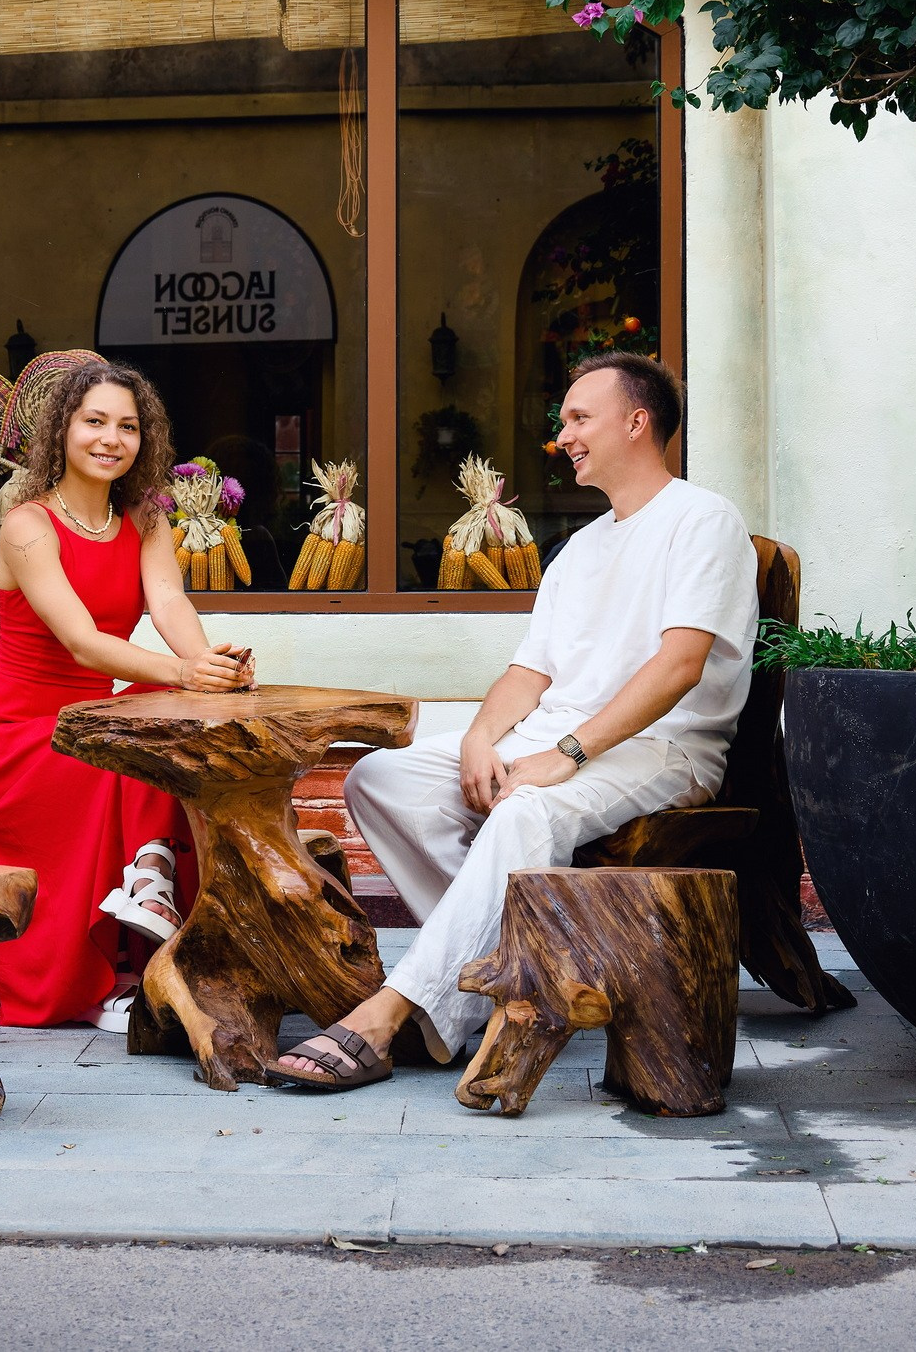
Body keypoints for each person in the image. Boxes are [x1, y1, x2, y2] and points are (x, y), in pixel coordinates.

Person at [267, 353, 758, 1090]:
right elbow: (529, 672)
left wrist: (567, 750)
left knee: (526, 808)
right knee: (379, 778)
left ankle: (393, 1011)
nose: (562, 435)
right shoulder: (583, 547)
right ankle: (513, 967)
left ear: (637, 421)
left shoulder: (703, 519)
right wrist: (477, 736)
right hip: (557, 738)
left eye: (578, 418)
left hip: (664, 746)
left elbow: (680, 665)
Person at [0, 358, 257, 1031]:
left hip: (91, 718)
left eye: (127, 425)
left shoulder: (145, 517)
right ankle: (116, 952)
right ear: (62, 431)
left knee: (161, 731)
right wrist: (182, 674)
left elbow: (169, 600)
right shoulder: (28, 524)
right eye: (94, 422)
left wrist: (206, 660)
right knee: (128, 740)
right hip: (18, 735)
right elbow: (84, 642)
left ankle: (153, 897)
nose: (110, 438)